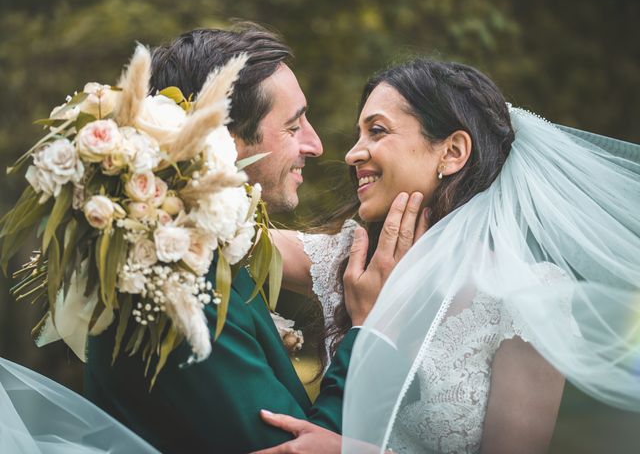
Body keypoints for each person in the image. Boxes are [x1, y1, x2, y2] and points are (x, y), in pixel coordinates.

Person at [254, 58, 640, 453]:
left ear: (452, 152)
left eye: (377, 131)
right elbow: (229, 233)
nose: (353, 154)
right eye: (359, 134)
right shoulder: (356, 261)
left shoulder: (529, 298)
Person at [83, 25, 349, 453]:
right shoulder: (179, 286)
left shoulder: (207, 250)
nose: (315, 144)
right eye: (293, 125)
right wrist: (364, 331)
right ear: (225, 141)